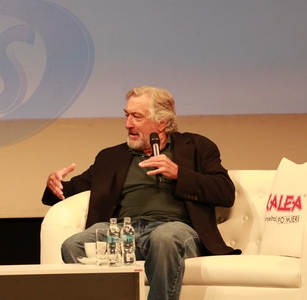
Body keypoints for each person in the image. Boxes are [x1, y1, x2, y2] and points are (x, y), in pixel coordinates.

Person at [42, 86, 240, 300]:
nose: (128, 124)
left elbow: (225, 192)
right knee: (73, 245)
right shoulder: (111, 157)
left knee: (164, 238)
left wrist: (179, 173)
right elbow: (69, 190)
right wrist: (55, 184)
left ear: (162, 122)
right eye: (126, 115)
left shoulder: (197, 147)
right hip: (122, 232)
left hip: (174, 231)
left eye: (136, 117)